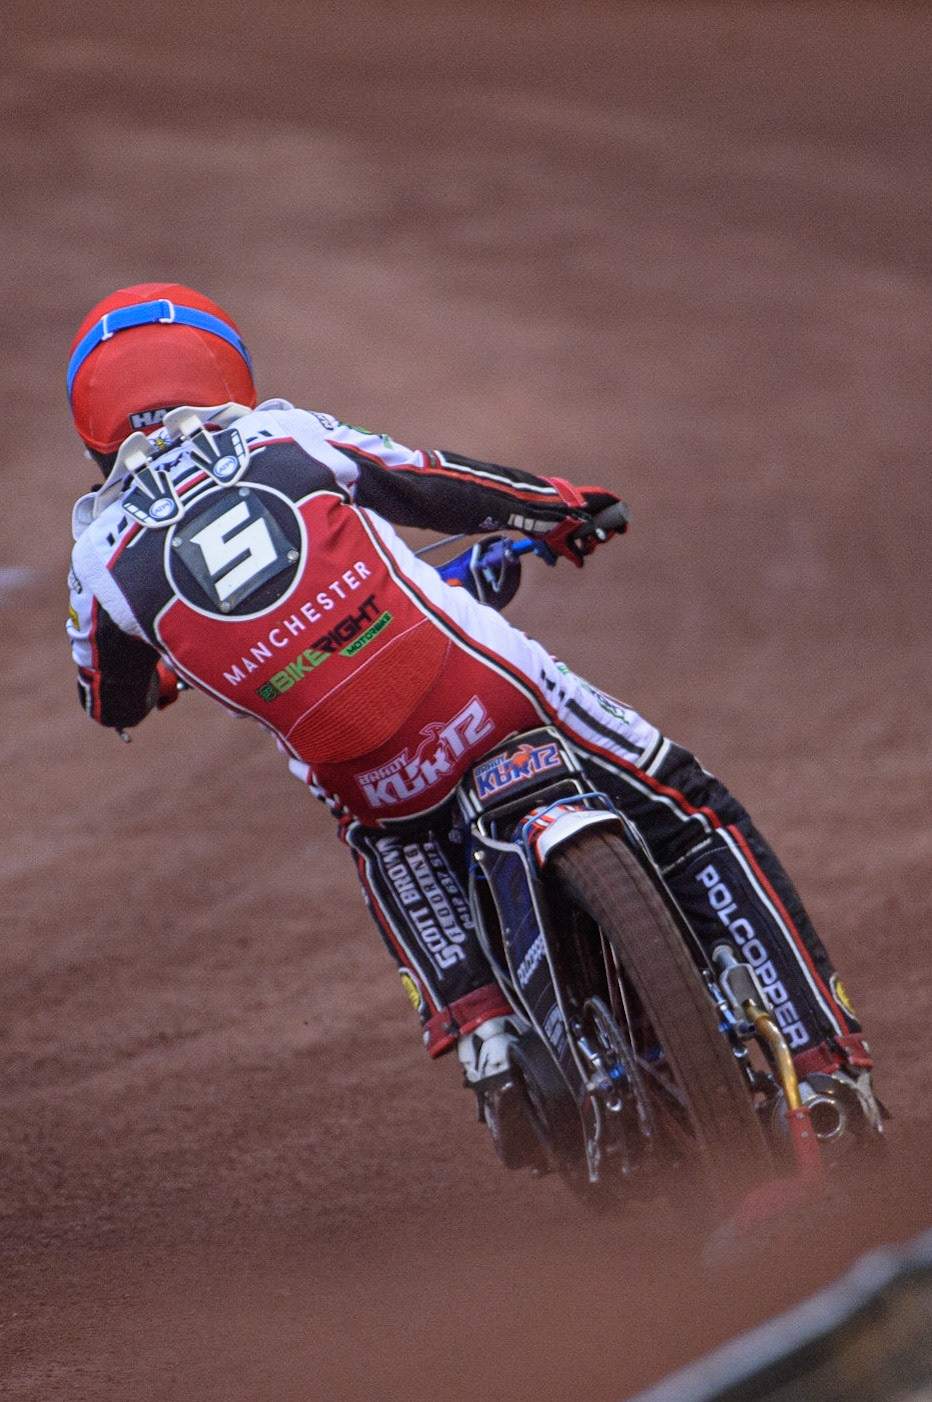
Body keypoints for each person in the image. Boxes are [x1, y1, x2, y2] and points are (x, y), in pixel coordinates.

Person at [65, 282, 882, 1164]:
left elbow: (112, 701)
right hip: (487, 691)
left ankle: (481, 1026)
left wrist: (172, 670)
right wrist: (562, 507)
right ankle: (828, 1063)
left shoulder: (95, 560)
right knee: (691, 808)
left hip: (373, 777)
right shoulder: (278, 434)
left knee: (379, 830)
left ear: (94, 428)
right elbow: (443, 486)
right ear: (223, 368)